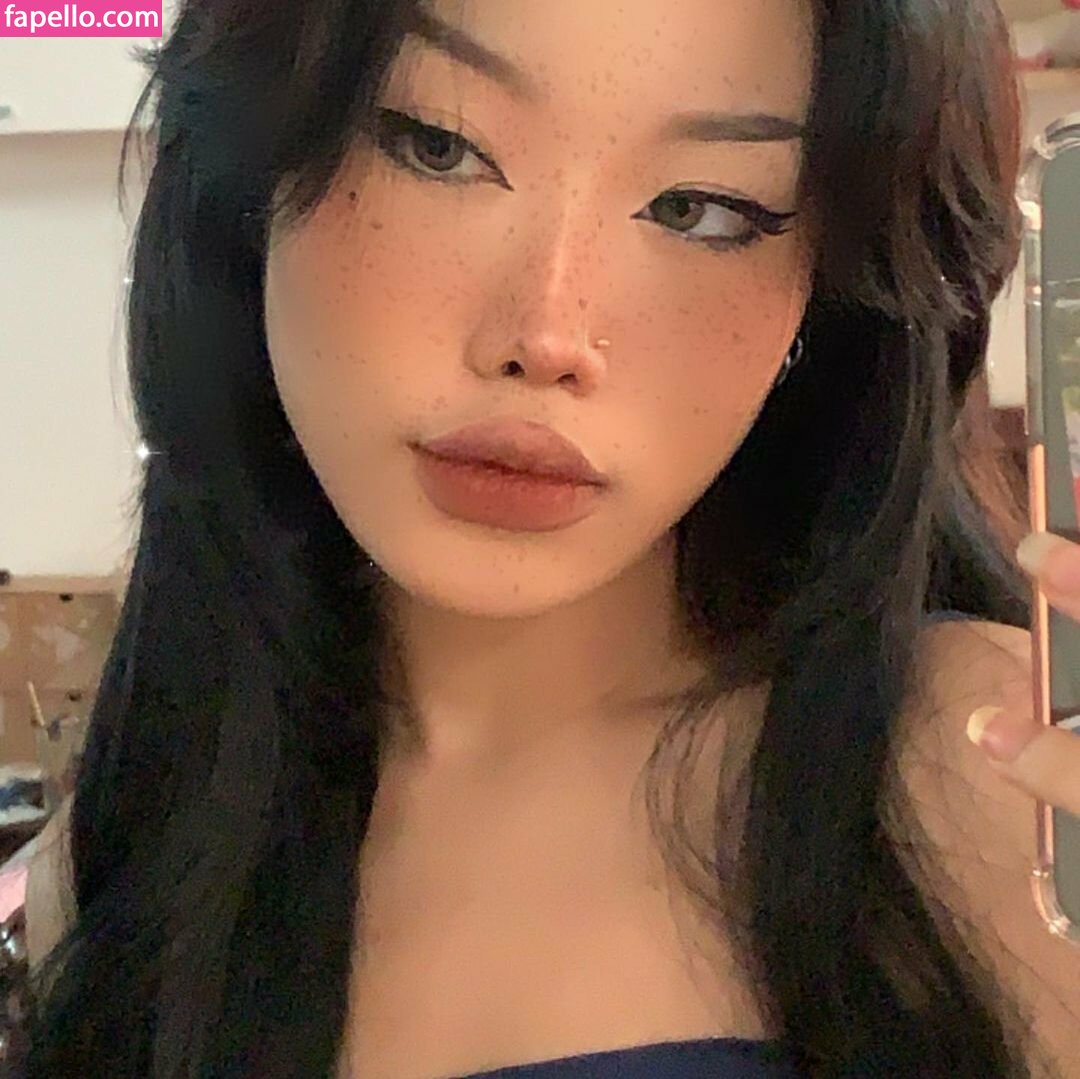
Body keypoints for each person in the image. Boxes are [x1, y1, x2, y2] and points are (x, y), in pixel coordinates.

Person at [15, 0, 1080, 1075]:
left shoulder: (992, 775)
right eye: (438, 147)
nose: (547, 334)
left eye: (702, 209)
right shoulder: (117, 859)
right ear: (251, 175)